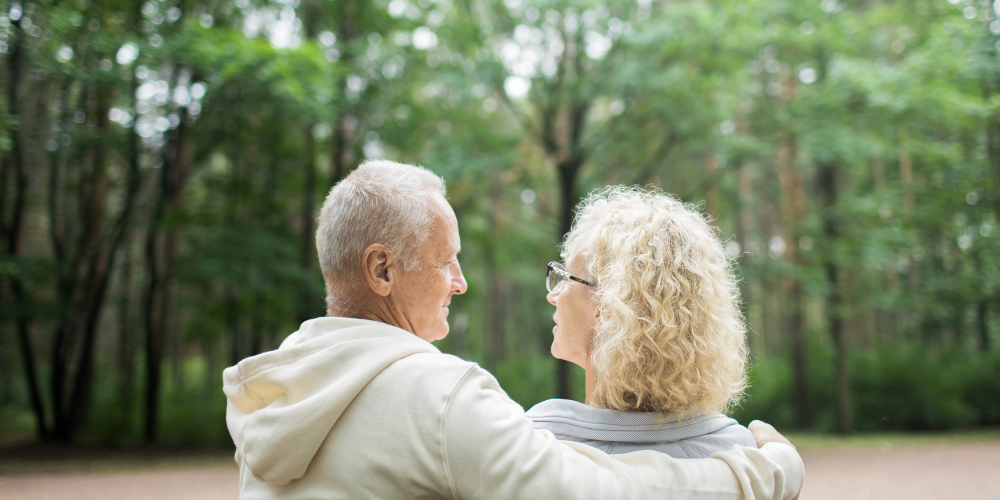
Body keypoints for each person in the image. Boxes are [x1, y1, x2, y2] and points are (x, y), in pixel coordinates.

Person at [223, 160, 804, 499]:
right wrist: (768, 469)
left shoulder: (279, 394)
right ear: (382, 270)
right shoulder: (438, 398)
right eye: (446, 259)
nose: (461, 281)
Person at [529, 186, 755, 458]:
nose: (553, 295)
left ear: (606, 306)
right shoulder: (739, 450)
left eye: (565, 277)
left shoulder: (542, 442)